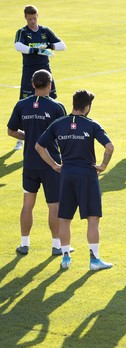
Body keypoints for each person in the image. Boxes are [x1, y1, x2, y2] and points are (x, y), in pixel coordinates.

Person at [35, 90, 114, 271]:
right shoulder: (92, 125)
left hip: (67, 174)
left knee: (64, 219)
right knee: (93, 218)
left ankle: (65, 258)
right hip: (87, 175)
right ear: (87, 107)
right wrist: (103, 165)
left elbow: (38, 146)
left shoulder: (58, 124)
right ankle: (94, 260)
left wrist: (55, 165)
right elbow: (109, 146)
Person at [7, 69, 67, 255]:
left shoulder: (21, 105)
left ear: (32, 84)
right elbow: (63, 135)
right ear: (50, 84)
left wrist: (29, 137)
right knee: (54, 205)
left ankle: (24, 243)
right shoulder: (57, 107)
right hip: (52, 164)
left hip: (30, 163)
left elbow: (11, 131)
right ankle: (56, 245)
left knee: (27, 203)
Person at [13, 5, 66, 151]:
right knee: (24, 104)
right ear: (25, 17)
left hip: (45, 72)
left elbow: (62, 45)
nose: (32, 21)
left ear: (38, 16)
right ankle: (21, 139)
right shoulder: (22, 32)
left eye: (34, 18)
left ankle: (53, 135)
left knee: (51, 101)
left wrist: (48, 46)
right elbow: (18, 46)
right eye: (29, 19)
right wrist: (36, 50)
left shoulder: (45, 31)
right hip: (29, 72)